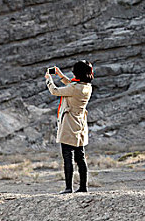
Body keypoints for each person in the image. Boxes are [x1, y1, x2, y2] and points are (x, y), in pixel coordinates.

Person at [45, 60, 94, 194]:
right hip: (80, 124)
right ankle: (83, 187)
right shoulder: (87, 87)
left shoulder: (74, 88)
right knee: (80, 158)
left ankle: (68, 188)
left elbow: (55, 91)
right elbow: (71, 86)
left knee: (68, 157)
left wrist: (49, 80)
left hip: (68, 124)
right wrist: (60, 75)